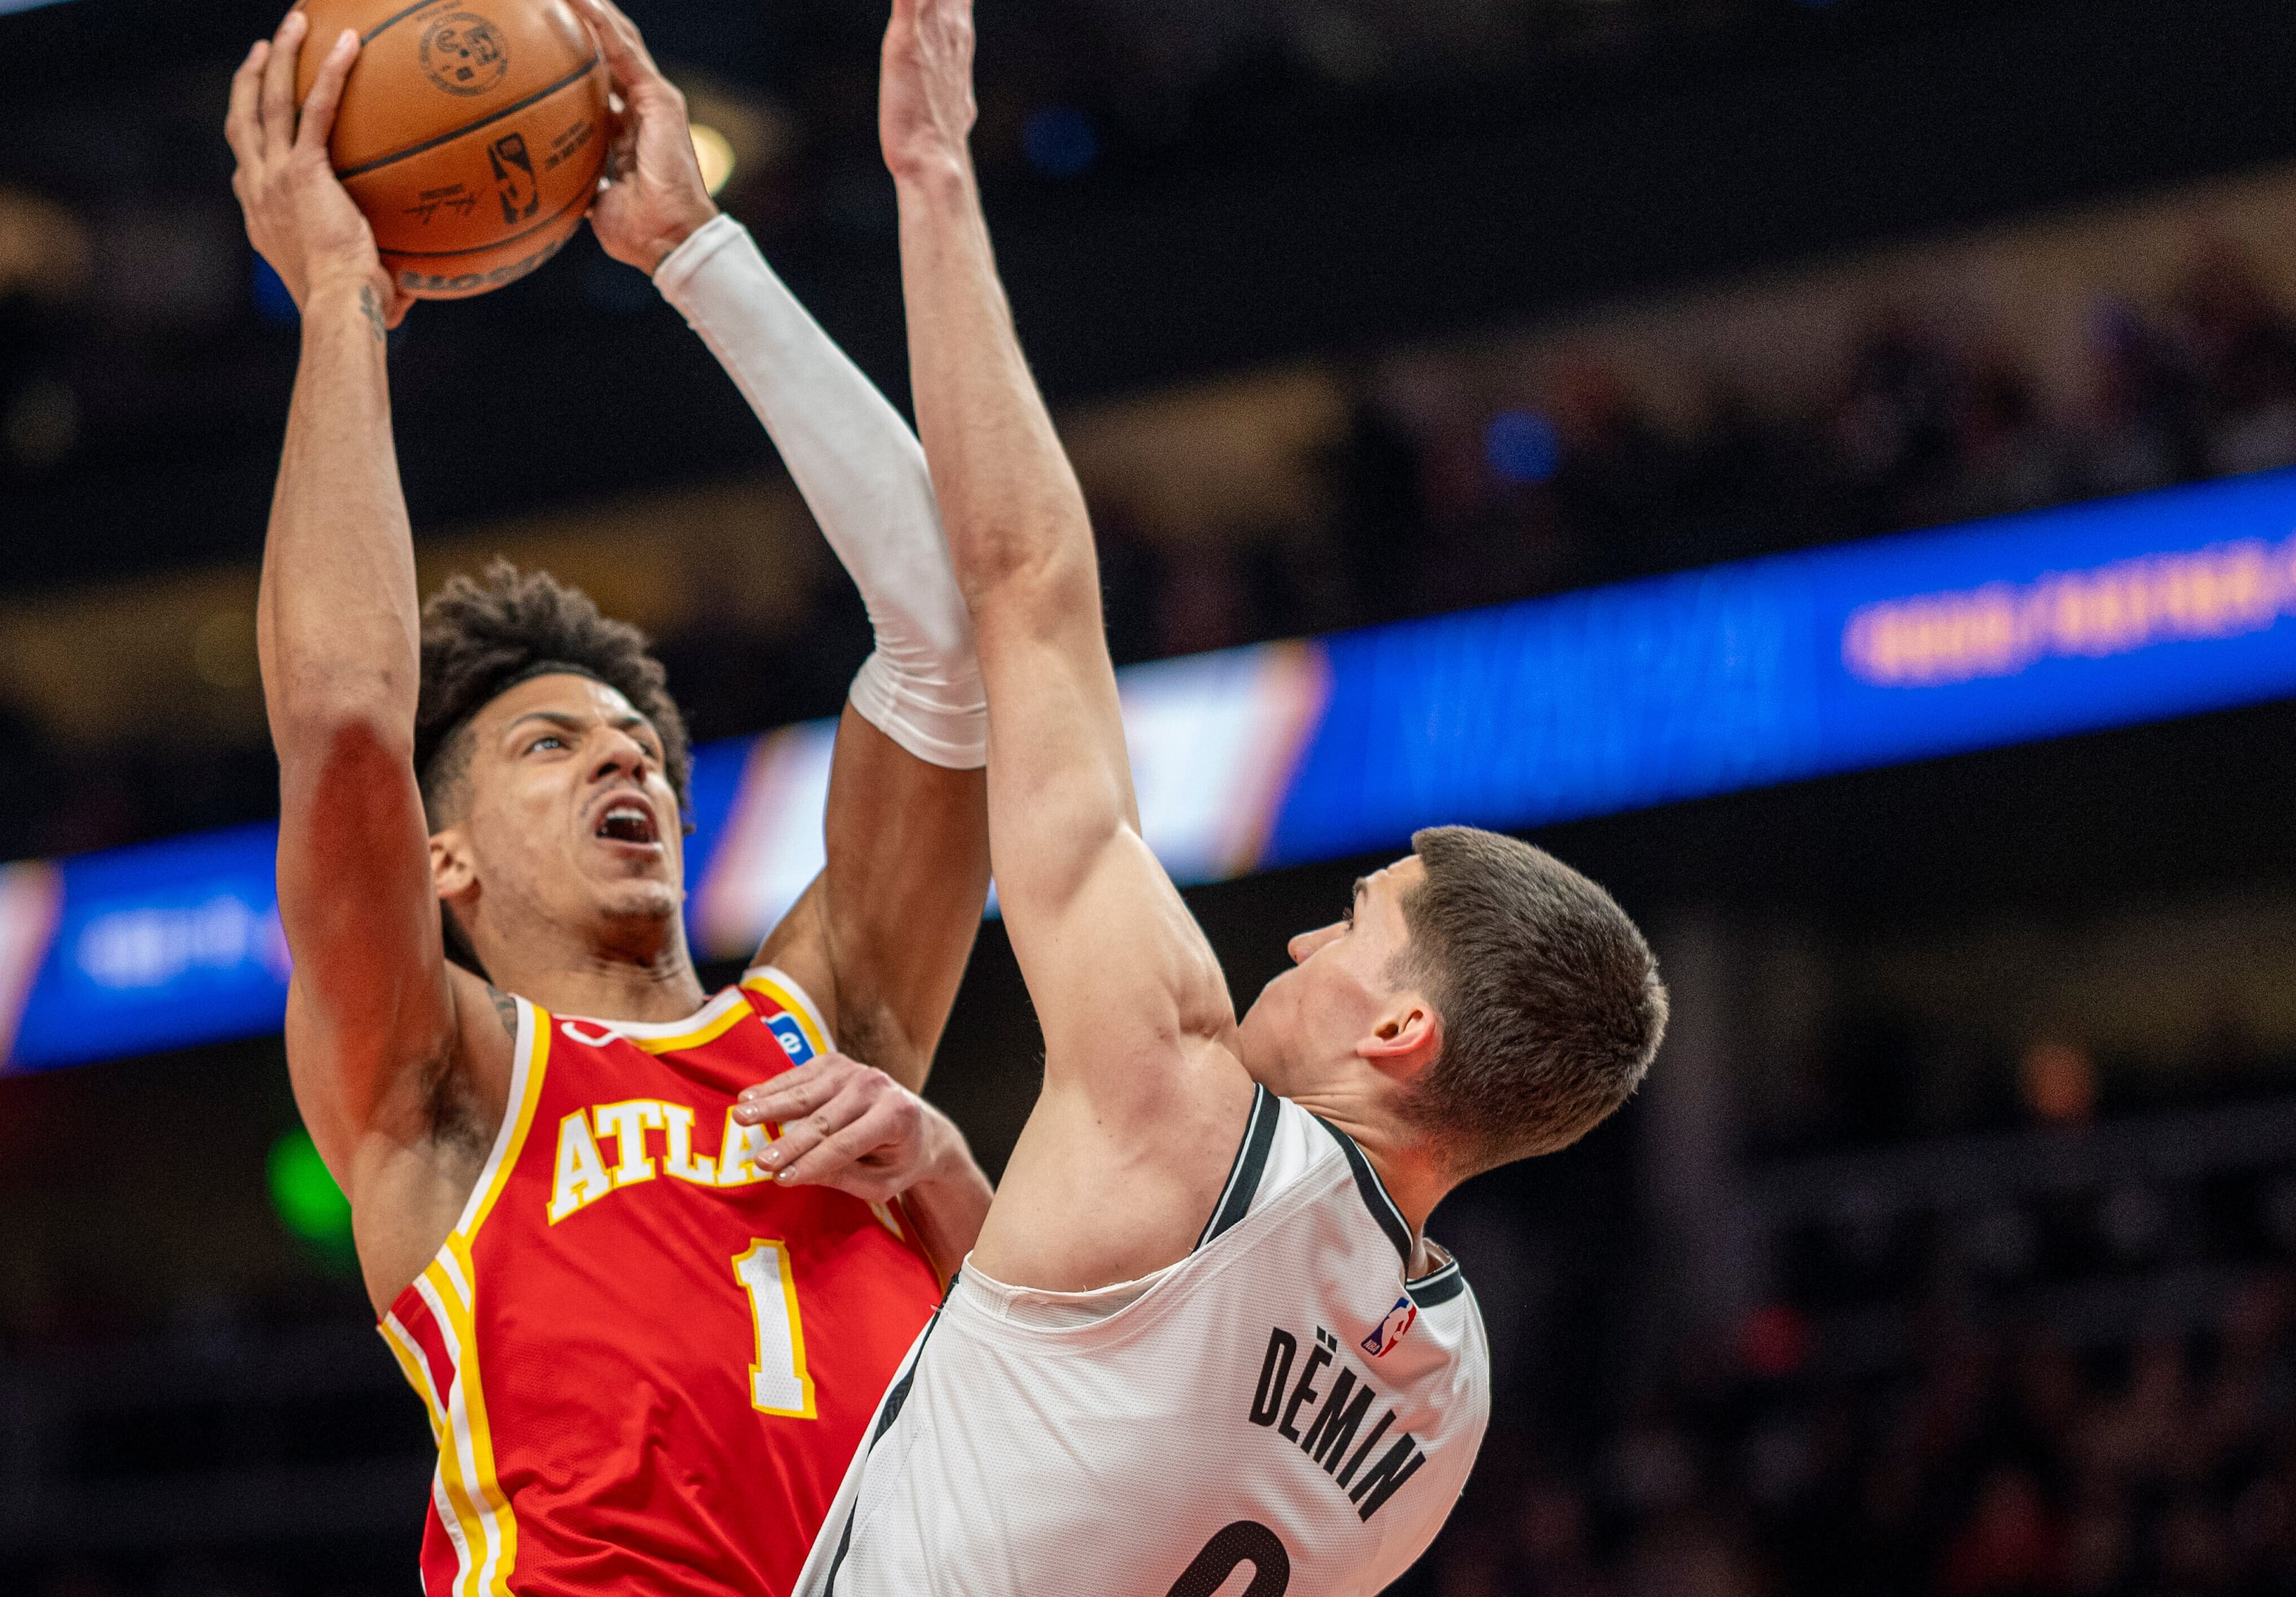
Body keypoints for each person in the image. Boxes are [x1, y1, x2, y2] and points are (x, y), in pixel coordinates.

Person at [790, 1, 1671, 1593]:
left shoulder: (1177, 1106)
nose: (1291, 954)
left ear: (1403, 1034)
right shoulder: (1446, 1393)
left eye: (1350, 928)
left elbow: (1029, 591)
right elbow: (1107, 1393)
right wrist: (941, 1176)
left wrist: (931, 176)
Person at [222, 3, 997, 1593]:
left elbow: (952, 648)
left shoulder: (829, 1032)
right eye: (549, 745)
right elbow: (346, 732)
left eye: (636, 741)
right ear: (443, 859)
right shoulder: (441, 1087)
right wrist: (343, 304)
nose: (626, 755)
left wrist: (701, 255)